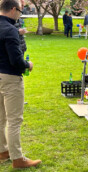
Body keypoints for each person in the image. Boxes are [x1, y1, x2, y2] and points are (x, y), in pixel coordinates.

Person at [0, 0, 42, 168]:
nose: (20, 14)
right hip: (10, 78)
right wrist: (28, 65)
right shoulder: (11, 30)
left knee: (1, 118)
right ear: (12, 9)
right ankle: (17, 158)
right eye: (19, 11)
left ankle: (3, 151)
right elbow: (16, 60)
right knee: (14, 120)